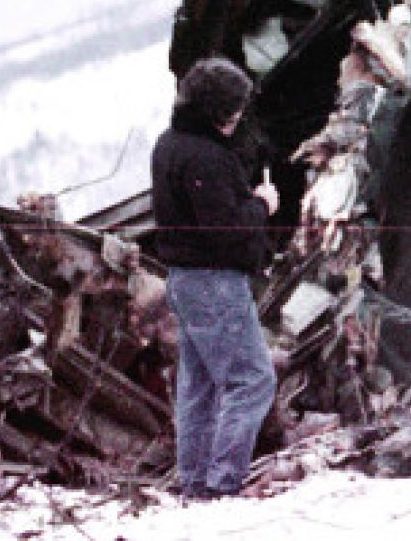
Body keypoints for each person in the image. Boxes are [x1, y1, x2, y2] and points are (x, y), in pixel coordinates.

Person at [149, 57, 280, 500]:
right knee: (253, 380)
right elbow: (226, 231)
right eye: (234, 107)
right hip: (214, 283)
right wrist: (262, 205)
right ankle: (222, 482)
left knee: (199, 386)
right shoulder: (208, 158)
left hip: (183, 280)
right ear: (216, 110)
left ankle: (196, 482)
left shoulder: (168, 144)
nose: (238, 115)